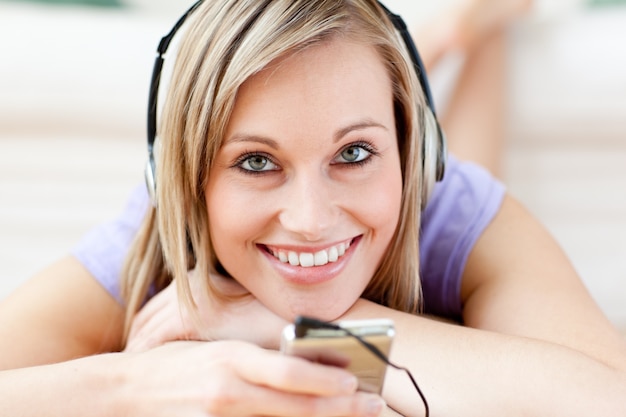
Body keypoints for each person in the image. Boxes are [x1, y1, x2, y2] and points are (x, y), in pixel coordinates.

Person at [1, 1, 625, 416]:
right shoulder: (157, 234)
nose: (310, 218)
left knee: (463, 186)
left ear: (412, 155)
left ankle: (474, 29)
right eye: (255, 162)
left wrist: (302, 329)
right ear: (188, 187)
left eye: (355, 153)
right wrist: (127, 386)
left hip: (427, 198)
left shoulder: (451, 204)